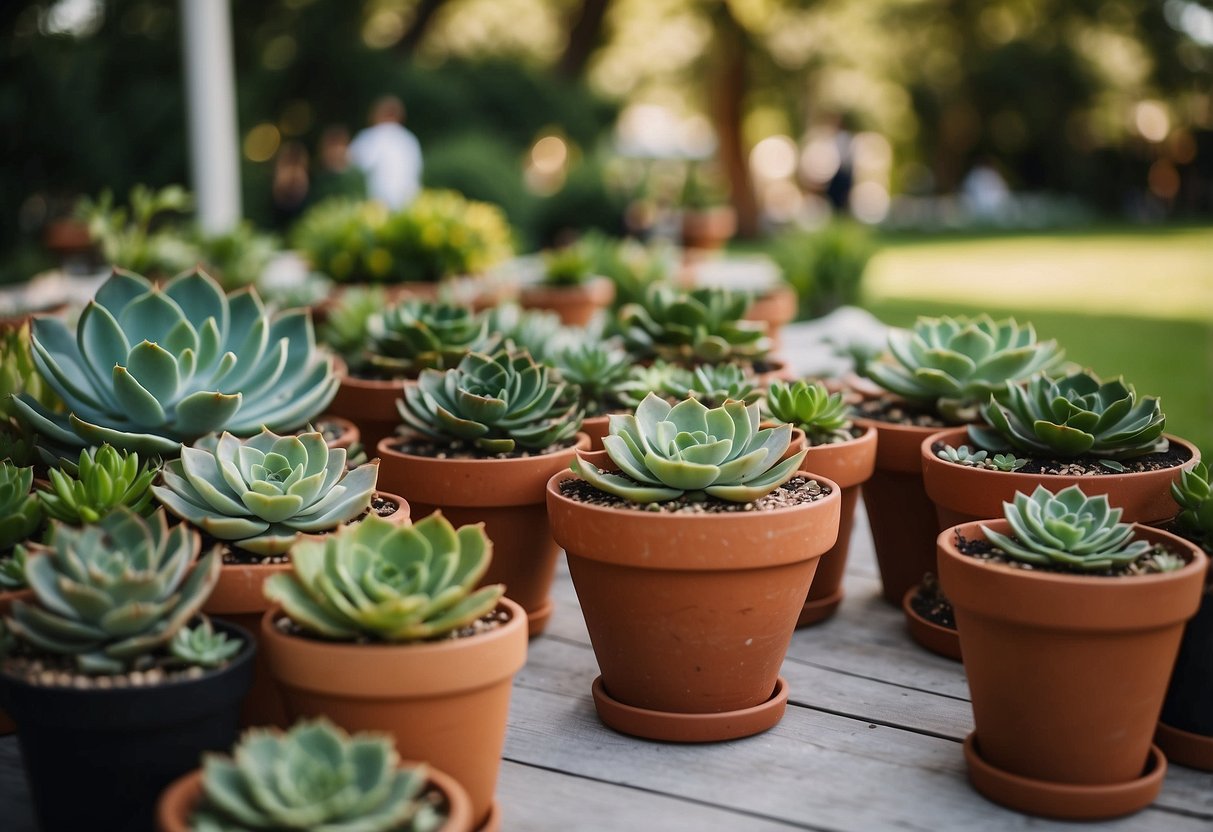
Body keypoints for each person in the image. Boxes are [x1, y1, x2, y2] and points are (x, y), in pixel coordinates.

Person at [348, 96, 423, 210]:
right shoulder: (410, 139)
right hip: (410, 201)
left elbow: (356, 164)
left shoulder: (372, 136)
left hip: (380, 203)